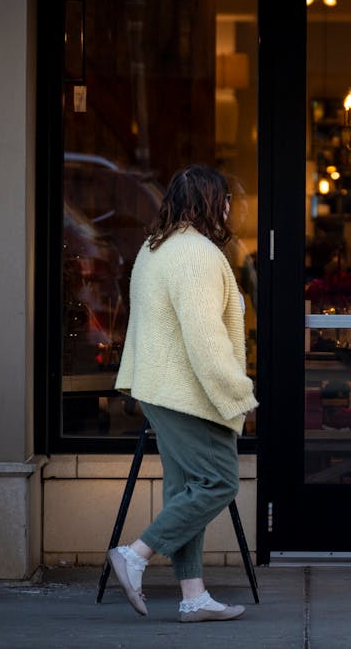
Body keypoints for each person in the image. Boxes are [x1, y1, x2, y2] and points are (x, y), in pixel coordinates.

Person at [107, 164, 258, 623]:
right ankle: (134, 555)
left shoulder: (155, 248)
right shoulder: (195, 254)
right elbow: (205, 338)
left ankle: (193, 597)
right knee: (218, 483)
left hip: (162, 388)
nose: (231, 207)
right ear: (210, 203)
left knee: (185, 492)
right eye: (225, 199)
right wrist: (239, 393)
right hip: (189, 393)